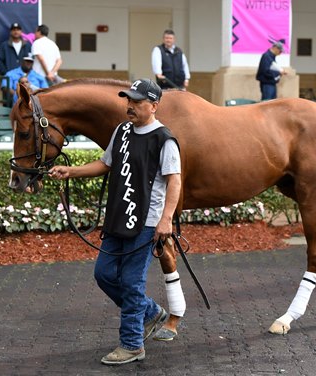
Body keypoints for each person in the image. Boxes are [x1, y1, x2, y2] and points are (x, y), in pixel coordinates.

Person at [49, 78, 182, 365]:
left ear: (154, 105)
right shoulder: (121, 131)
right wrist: (70, 172)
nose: (129, 106)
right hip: (118, 218)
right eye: (128, 100)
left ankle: (132, 344)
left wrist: (165, 220)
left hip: (146, 223)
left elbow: (175, 181)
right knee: (104, 274)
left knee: (132, 283)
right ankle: (149, 312)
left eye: (136, 101)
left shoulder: (164, 139)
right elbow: (105, 164)